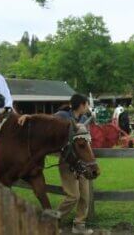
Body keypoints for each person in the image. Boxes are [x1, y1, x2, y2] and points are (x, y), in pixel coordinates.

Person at [54, 94, 94, 235]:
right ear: (82, 105)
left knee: (85, 195)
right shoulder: (61, 116)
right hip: (67, 162)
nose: (88, 107)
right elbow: (50, 131)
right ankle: (52, 221)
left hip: (81, 163)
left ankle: (79, 225)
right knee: (73, 196)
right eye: (87, 104)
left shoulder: (84, 119)